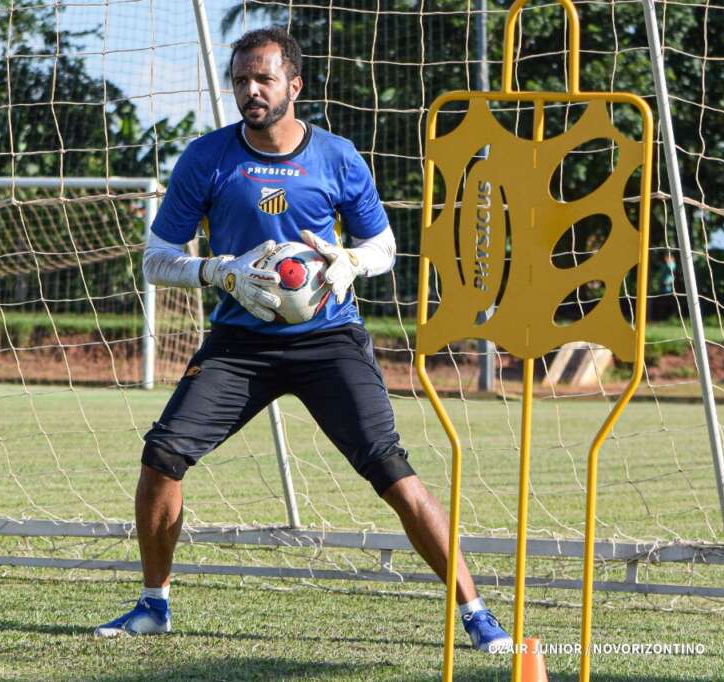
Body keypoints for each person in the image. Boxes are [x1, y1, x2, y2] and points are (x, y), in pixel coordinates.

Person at [94, 27, 512, 653]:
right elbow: (156, 259)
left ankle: (477, 614)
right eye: (240, 80)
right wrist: (215, 270)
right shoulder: (205, 158)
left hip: (329, 338)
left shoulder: (338, 155)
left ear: (295, 84)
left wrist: (349, 263)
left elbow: (384, 247)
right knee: (163, 457)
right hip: (240, 343)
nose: (250, 90)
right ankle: (154, 604)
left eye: (263, 79)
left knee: (392, 472)